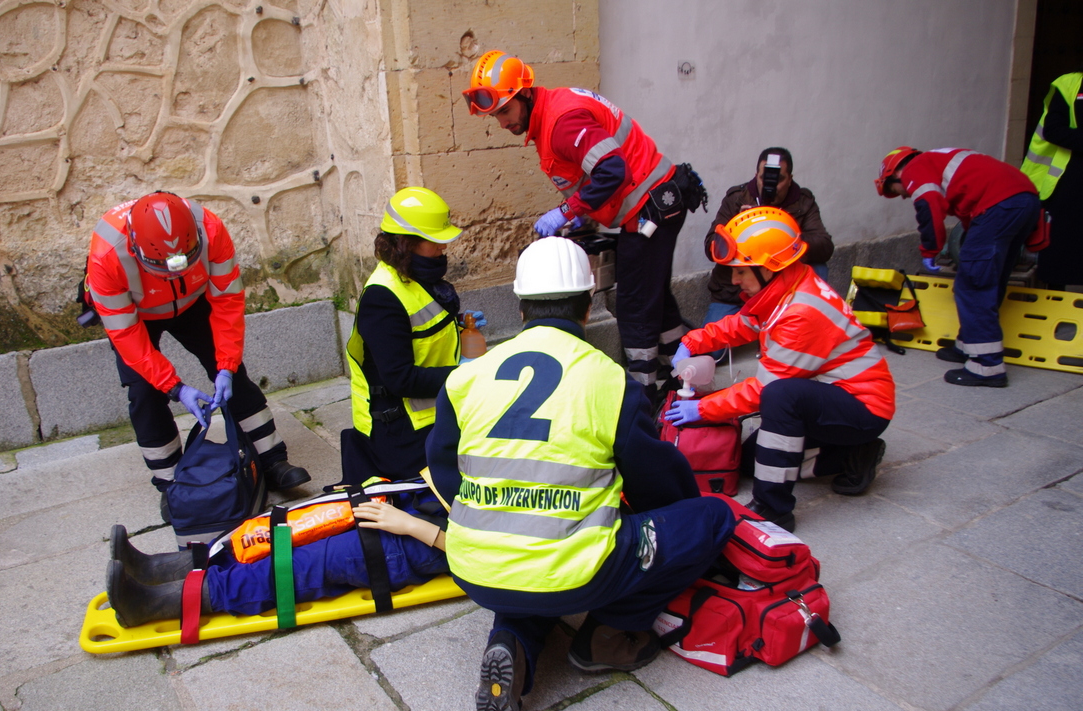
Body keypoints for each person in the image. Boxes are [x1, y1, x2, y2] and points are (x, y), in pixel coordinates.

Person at [426, 236, 736, 711]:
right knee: (712, 517)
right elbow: (659, 484)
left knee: (529, 569)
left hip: (476, 570)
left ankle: (510, 641)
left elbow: (443, 470)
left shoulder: (467, 377)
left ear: (521, 305)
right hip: (577, 573)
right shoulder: (609, 380)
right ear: (588, 306)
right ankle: (607, 637)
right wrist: (672, 515)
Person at [462, 50, 699, 403]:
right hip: (657, 202)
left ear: (525, 93)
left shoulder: (561, 122)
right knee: (654, 299)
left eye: (505, 111)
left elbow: (613, 170)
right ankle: (684, 374)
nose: (503, 124)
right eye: (495, 116)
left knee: (634, 305)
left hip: (650, 210)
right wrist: (579, 215)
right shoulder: (554, 112)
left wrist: (567, 212)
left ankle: (643, 396)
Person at [666, 207, 895, 533]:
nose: (734, 279)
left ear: (771, 267)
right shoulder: (784, 287)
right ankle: (853, 455)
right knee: (748, 460)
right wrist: (694, 340)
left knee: (779, 396)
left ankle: (773, 509)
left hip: (863, 406)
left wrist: (702, 409)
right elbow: (743, 324)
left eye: (742, 271)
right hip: (833, 394)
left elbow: (762, 391)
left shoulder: (801, 311)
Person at [86, 192, 310, 523]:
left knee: (234, 376)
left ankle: (272, 460)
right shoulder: (107, 256)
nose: (172, 274)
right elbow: (126, 336)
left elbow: (228, 301)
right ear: (135, 247)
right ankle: (171, 484)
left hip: (193, 302)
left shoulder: (211, 230)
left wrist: (226, 367)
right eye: (162, 268)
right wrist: (176, 388)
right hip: (137, 316)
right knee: (144, 392)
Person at [105, 499, 449, 627]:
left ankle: (151, 605)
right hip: (425, 499)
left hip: (421, 541)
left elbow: (493, 548)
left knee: (293, 565)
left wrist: (413, 526)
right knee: (281, 529)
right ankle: (161, 569)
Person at [342, 187, 485, 483]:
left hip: (435, 414)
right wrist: (463, 374)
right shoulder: (382, 298)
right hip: (401, 431)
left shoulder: (415, 276)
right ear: (409, 243)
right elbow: (399, 378)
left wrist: (458, 325)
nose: (444, 247)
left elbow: (418, 331)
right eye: (436, 240)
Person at [876, 147, 1041, 387]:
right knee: (989, 279)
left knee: (973, 285)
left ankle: (987, 366)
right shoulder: (939, 161)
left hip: (1000, 206)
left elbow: (929, 206)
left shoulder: (915, 168)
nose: (905, 195)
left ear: (896, 173)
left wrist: (930, 249)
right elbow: (968, 213)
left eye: (896, 191)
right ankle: (968, 345)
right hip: (1022, 201)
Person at [703, 147, 834, 325]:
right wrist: (738, 228)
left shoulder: (803, 201)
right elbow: (711, 248)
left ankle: (801, 321)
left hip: (783, 289)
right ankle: (756, 323)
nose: (769, 186)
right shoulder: (737, 198)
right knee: (715, 351)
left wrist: (780, 235)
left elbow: (824, 246)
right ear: (756, 175)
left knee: (818, 267)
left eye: (778, 180)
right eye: (764, 178)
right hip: (736, 292)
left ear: (790, 179)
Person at [1021, 71, 1083, 290]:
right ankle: (1054, 301)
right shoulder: (1068, 84)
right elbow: (1053, 130)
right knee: (1060, 247)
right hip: (1070, 179)